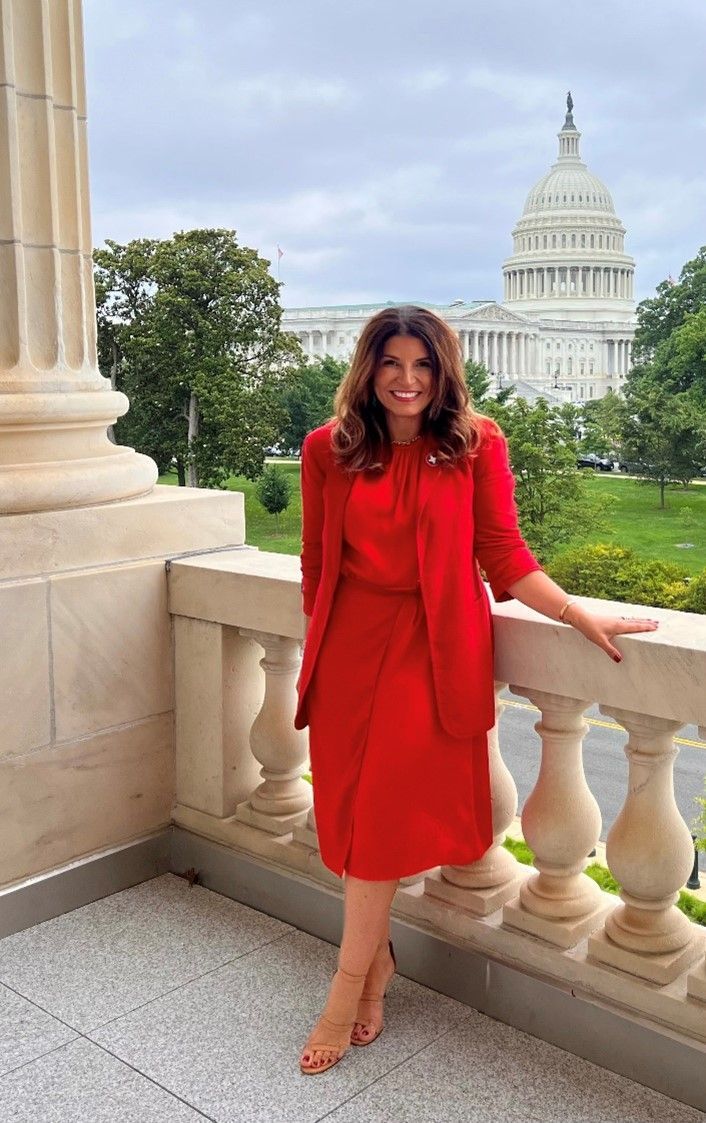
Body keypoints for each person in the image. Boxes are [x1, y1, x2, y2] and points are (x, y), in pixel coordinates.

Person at [295, 305, 659, 1075]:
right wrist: (322, 646)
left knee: (380, 819)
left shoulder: (475, 442)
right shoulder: (330, 448)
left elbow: (503, 552)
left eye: (423, 365)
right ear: (368, 368)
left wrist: (572, 609)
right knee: (358, 821)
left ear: (445, 370)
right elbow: (314, 561)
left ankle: (350, 981)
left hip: (428, 654)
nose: (407, 380)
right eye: (392, 363)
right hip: (350, 653)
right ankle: (376, 964)